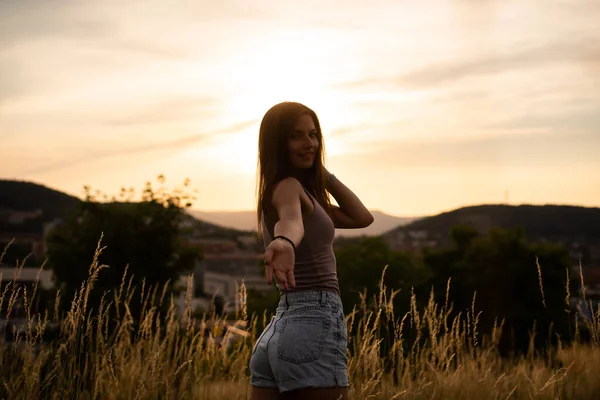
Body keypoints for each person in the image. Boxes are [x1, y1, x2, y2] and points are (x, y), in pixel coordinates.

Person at [249, 101, 374, 400]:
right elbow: (291, 221)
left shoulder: (304, 195)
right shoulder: (289, 188)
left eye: (313, 135)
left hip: (279, 331)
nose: (310, 144)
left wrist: (319, 169)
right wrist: (285, 241)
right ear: (277, 144)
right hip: (313, 325)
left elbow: (362, 217)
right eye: (296, 136)